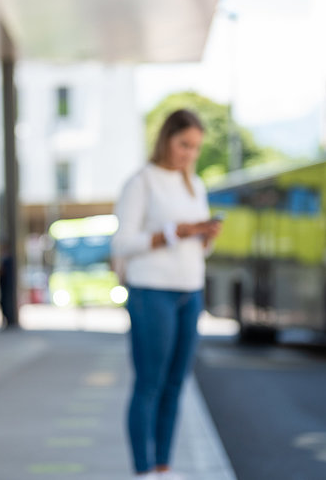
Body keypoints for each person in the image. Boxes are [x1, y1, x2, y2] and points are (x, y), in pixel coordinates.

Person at [110, 109, 221, 479]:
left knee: (176, 385)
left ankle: (163, 468)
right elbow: (122, 244)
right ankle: (143, 471)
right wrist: (172, 233)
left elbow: (196, 249)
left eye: (195, 147)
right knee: (150, 384)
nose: (190, 153)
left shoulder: (196, 184)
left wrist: (204, 237)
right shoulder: (142, 182)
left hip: (191, 293)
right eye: (184, 144)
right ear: (166, 140)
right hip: (151, 293)